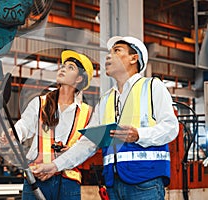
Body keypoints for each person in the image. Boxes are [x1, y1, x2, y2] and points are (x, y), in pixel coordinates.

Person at [33, 36, 179, 200]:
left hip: (145, 182)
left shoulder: (152, 86)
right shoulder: (106, 100)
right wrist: (54, 166)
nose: (108, 56)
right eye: (109, 52)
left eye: (116, 51)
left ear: (134, 58)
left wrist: (139, 134)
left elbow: (171, 127)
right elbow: (88, 143)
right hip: (112, 185)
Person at [1, 50, 94, 200]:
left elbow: (87, 146)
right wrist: (14, 132)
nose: (63, 68)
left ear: (79, 79)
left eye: (70, 67)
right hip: (37, 177)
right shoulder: (40, 103)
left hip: (68, 181)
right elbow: (25, 125)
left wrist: (70, 151)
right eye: (63, 65)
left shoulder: (88, 113)